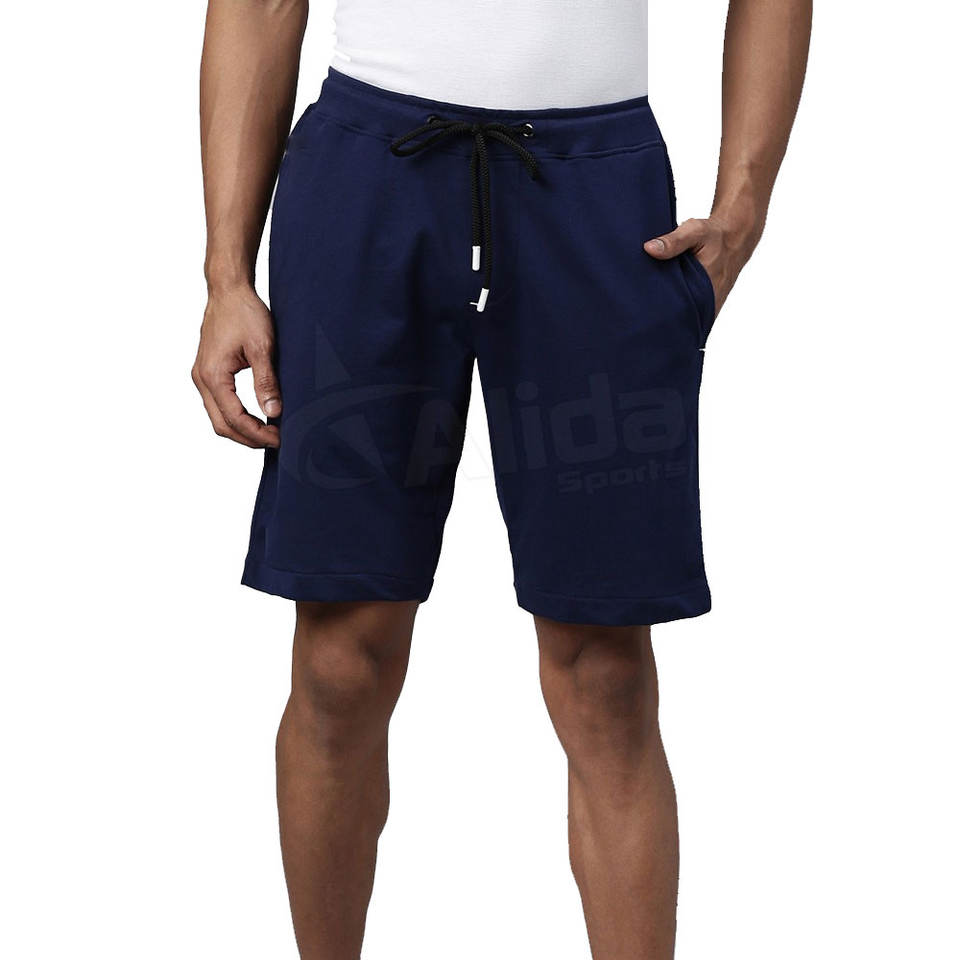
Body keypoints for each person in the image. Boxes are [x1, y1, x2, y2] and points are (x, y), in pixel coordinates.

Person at [192, 0, 810, 956]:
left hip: (596, 192)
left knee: (605, 670)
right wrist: (226, 276)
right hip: (367, 179)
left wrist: (743, 210)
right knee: (340, 656)